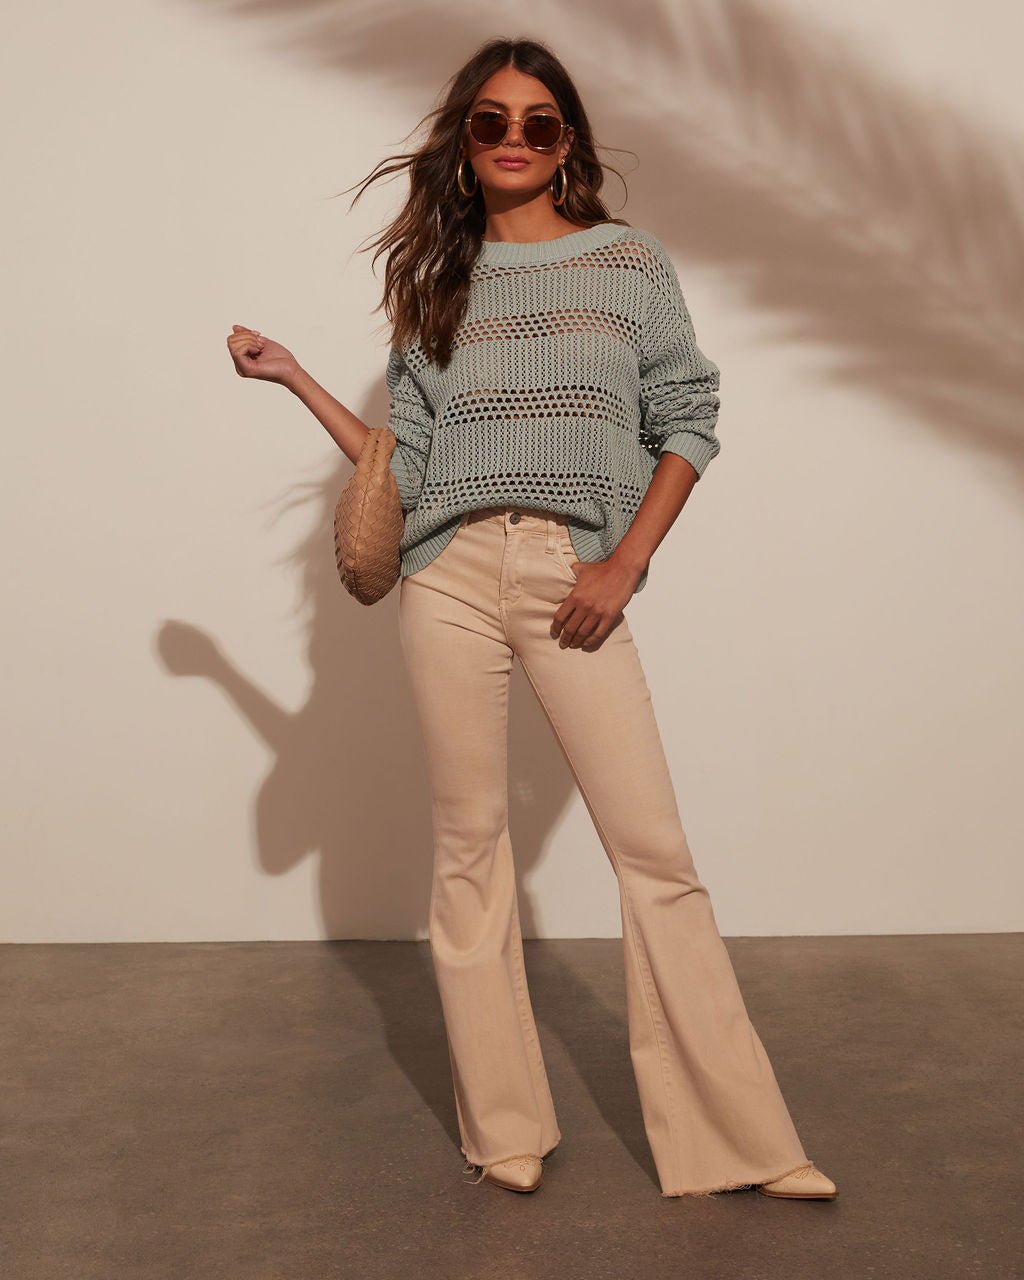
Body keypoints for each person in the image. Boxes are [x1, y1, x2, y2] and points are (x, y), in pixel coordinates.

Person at [226, 37, 838, 1203]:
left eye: (539, 122)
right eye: (492, 121)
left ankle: (743, 1141)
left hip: (571, 568)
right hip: (449, 574)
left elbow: (688, 416)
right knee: (468, 847)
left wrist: (625, 562)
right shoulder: (439, 282)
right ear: (464, 141)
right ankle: (503, 1125)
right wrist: (299, 378)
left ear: (568, 145)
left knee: (653, 852)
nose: (514, 138)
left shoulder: (627, 263)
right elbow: (403, 468)